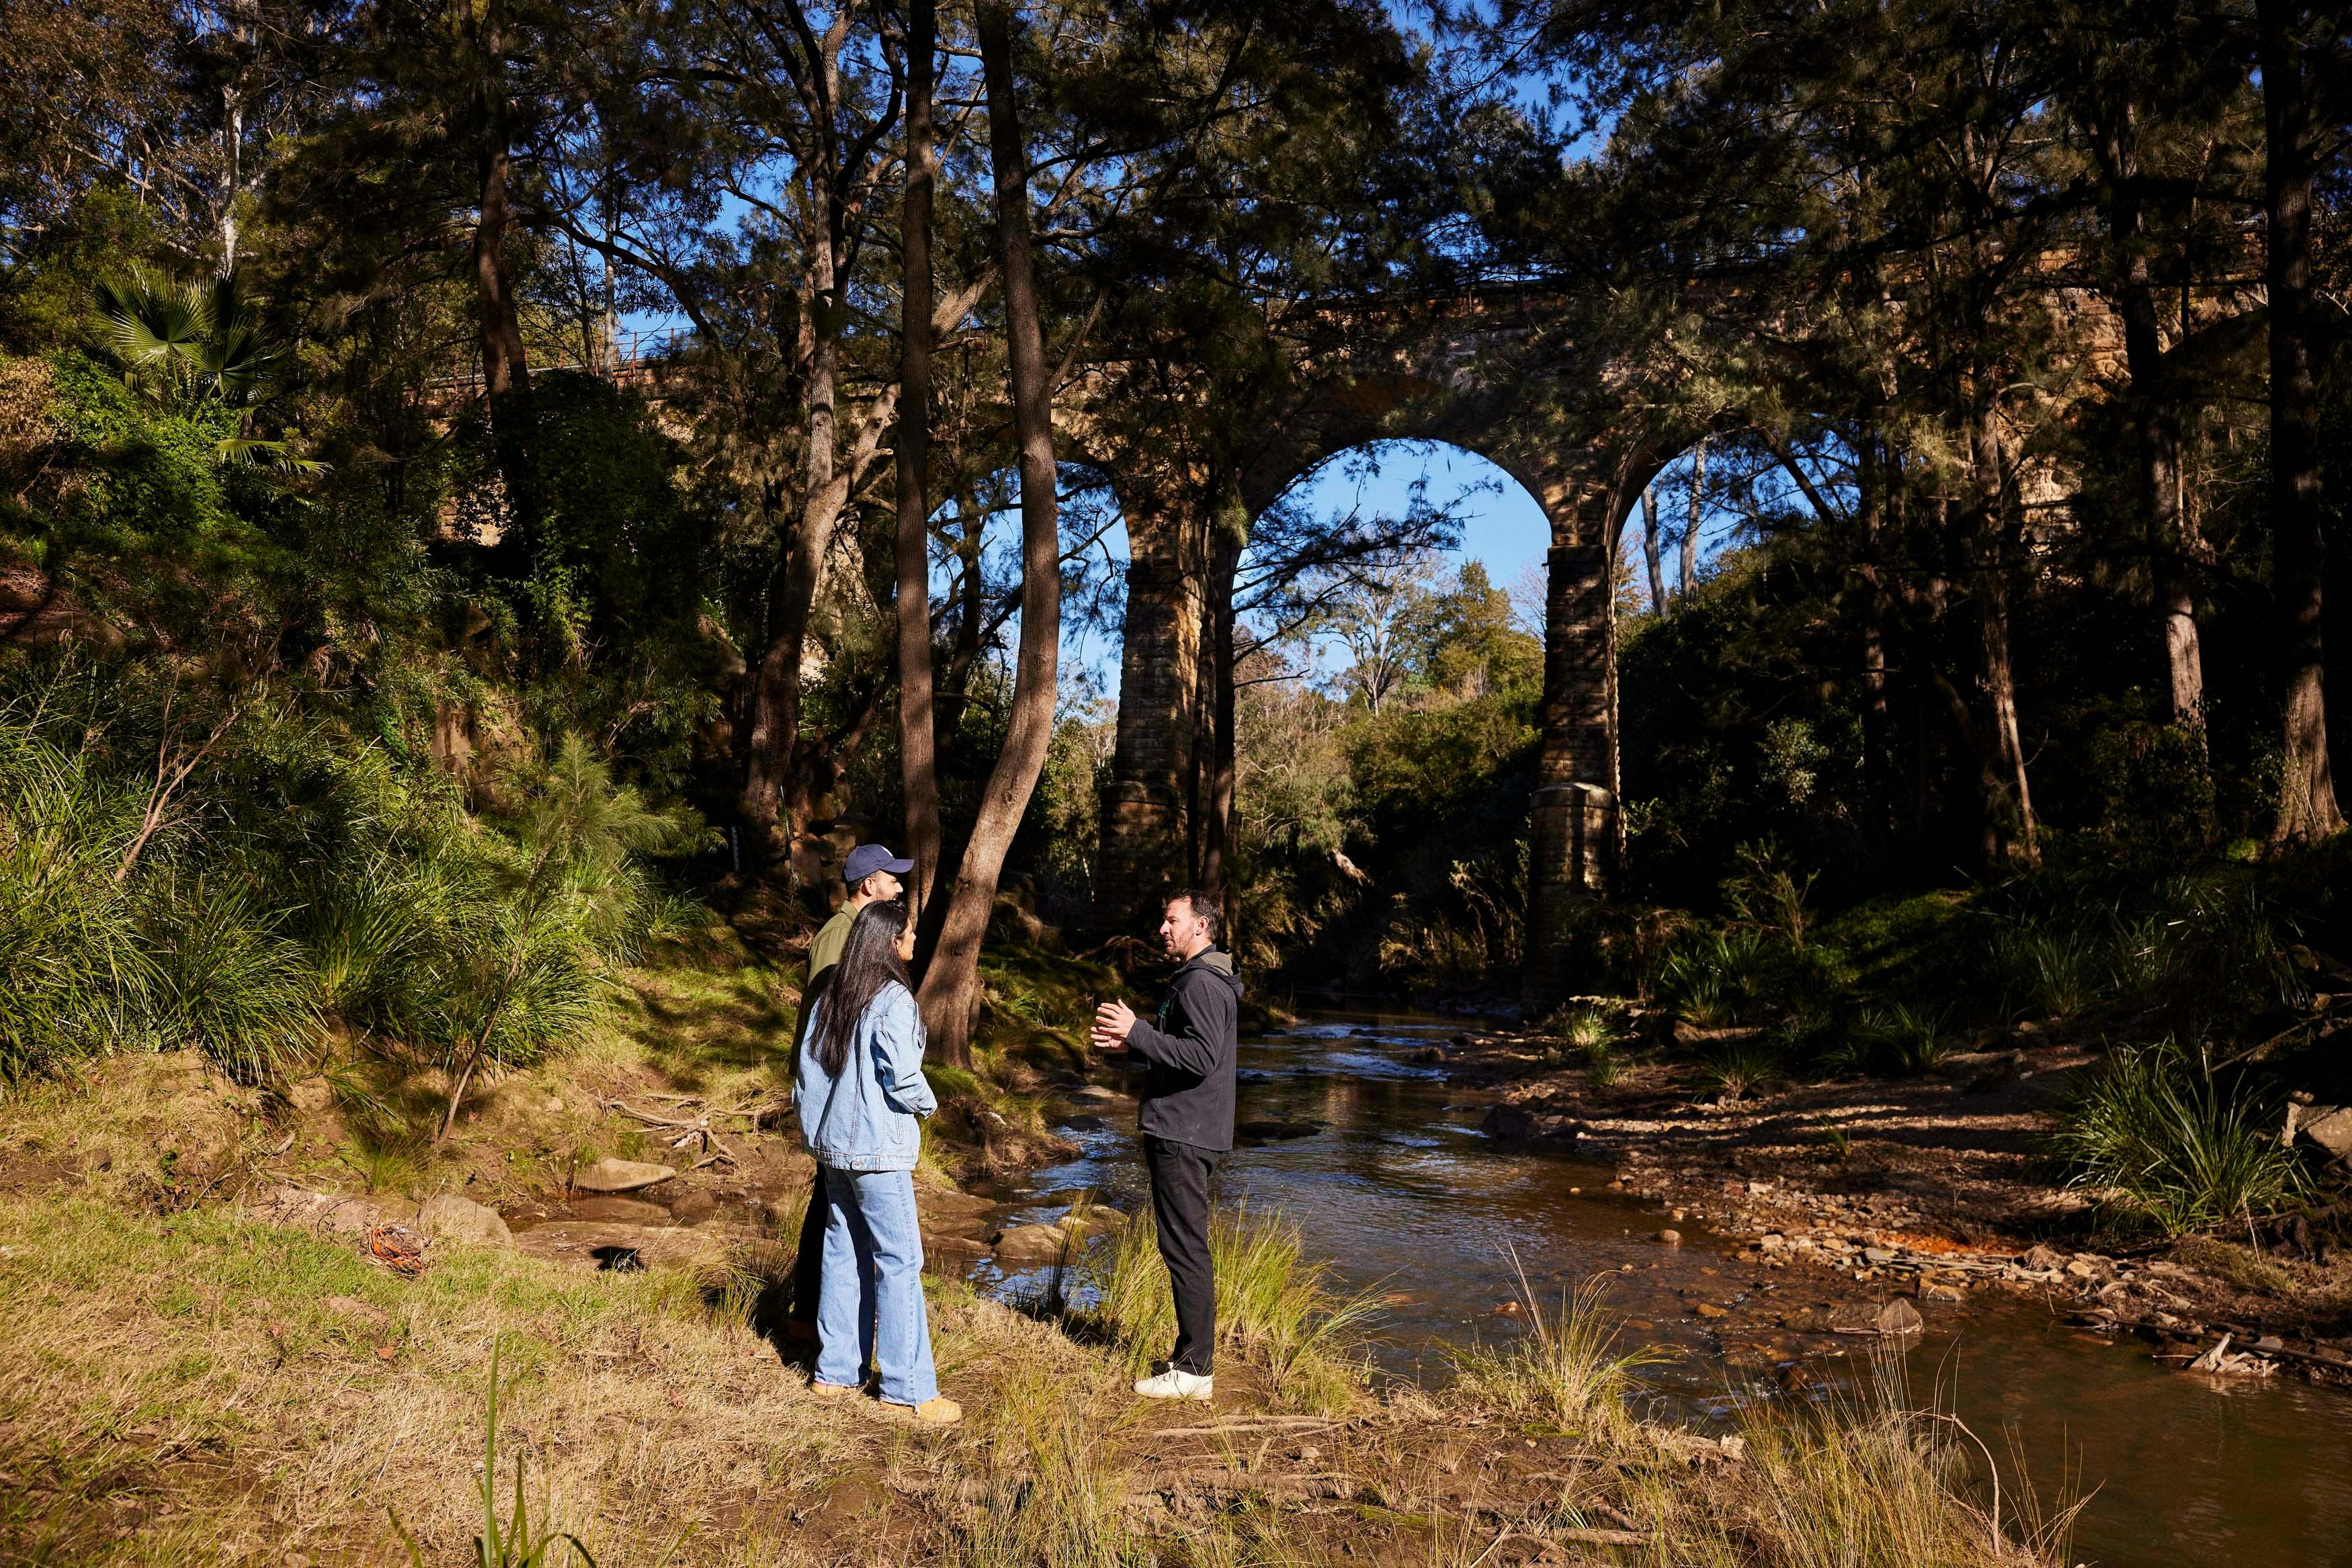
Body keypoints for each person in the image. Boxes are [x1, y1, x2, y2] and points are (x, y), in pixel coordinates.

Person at [794, 899, 960, 1424]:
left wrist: (817, 1134)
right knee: (900, 1262)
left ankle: (836, 1373)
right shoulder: (893, 999)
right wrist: (931, 1106)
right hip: (878, 1153)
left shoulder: (831, 994)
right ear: (891, 942)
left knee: (842, 1254)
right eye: (910, 933)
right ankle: (910, 1389)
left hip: (835, 1153)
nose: (915, 941)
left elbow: (807, 1078)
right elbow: (905, 1078)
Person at [1090, 889, 1242, 1402]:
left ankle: (1196, 1371)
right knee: (1184, 1245)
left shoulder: (1201, 982)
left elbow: (1200, 1058)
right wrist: (1137, 1042)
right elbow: (1187, 1054)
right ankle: (1189, 1359)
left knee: (1185, 1249)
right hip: (1188, 1128)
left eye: (1171, 919)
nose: (1162, 928)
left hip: (1184, 1133)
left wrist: (1137, 1031)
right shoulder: (1203, 979)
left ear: (1201, 926)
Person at [786, 843, 913, 1348]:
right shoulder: (840, 936)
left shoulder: (860, 932)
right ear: (868, 886)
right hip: (841, 1098)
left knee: (835, 1212)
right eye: (892, 878)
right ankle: (812, 1321)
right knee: (830, 1214)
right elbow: (829, 1023)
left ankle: (826, 1325)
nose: (900, 886)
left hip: (848, 1099)